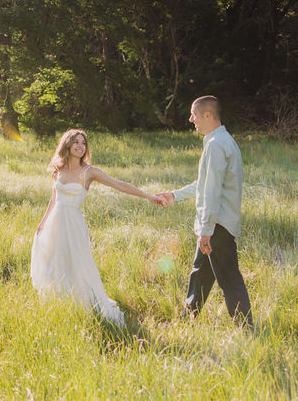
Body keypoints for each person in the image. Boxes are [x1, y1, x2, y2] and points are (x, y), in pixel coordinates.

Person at [30, 128, 166, 326]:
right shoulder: (59, 169)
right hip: (55, 224)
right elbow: (54, 199)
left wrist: (147, 195)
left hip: (73, 224)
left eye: (83, 143)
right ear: (67, 144)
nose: (80, 146)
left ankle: (85, 303)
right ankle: (60, 303)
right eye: (76, 142)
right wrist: (42, 224)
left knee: (78, 263)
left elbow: (118, 184)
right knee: (55, 262)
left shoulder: (89, 172)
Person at [156, 96, 253, 328]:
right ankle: (188, 319)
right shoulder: (221, 141)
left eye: (194, 115)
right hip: (215, 224)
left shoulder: (216, 145)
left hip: (217, 225)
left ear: (208, 115)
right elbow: (203, 183)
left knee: (229, 278)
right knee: (200, 273)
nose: (191, 119)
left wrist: (206, 230)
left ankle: (246, 328)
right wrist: (175, 195)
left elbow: (211, 192)